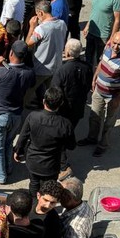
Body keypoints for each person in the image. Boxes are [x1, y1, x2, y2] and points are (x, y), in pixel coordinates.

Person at [0, 40, 36, 185]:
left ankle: (0, 176)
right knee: (9, 142)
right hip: (16, 115)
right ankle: (8, 167)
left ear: (11, 53)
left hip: (0, 115)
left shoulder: (1, 72)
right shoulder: (29, 73)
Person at [77, 31, 120, 157]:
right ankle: (92, 138)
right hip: (99, 90)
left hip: (114, 95)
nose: (116, 47)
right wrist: (95, 77)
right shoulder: (107, 47)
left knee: (109, 121)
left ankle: (103, 144)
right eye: (114, 43)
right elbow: (101, 63)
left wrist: (118, 98)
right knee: (94, 116)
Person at [14, 86, 76, 195]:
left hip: (33, 161)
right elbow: (71, 145)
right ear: (61, 103)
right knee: (48, 188)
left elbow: (23, 136)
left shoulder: (33, 116)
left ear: (44, 101)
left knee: (33, 183)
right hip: (51, 165)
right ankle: (45, 205)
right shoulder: (65, 124)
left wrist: (18, 151)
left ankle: (34, 202)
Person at [51, 39, 91, 180]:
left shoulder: (62, 70)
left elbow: (55, 92)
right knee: (69, 131)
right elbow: (88, 86)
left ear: (67, 52)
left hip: (63, 110)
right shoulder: (86, 67)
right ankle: (70, 143)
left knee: (59, 138)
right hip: (78, 108)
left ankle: (64, 166)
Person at [24, 0, 67, 110]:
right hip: (56, 66)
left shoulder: (41, 29)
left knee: (27, 91)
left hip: (41, 68)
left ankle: (22, 109)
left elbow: (27, 45)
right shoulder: (62, 24)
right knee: (50, 93)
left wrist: (32, 27)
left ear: (41, 13)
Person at [83, 0, 120, 68]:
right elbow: (94, 10)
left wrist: (112, 38)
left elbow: (118, 20)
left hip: (103, 36)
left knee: (101, 62)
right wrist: (88, 25)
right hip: (91, 32)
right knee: (88, 59)